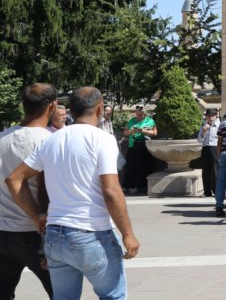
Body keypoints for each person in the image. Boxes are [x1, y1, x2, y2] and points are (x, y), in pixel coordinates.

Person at [6, 86, 139, 299]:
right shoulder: (102, 139)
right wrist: (128, 233)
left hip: (56, 235)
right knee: (112, 295)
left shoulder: (51, 140)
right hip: (92, 232)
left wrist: (36, 216)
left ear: (71, 110)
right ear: (99, 109)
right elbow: (111, 191)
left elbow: (14, 179)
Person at [0, 83, 57, 299]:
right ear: (51, 106)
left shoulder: (2, 138)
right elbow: (46, 192)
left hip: (2, 231)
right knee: (61, 292)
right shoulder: (48, 142)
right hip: (35, 232)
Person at [122, 105, 157, 195]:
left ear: (144, 114)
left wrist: (143, 131)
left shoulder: (149, 121)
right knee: (130, 166)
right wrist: (132, 131)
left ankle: (139, 187)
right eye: (137, 114)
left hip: (142, 146)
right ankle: (126, 186)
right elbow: (125, 132)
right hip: (132, 145)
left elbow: (154, 132)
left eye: (141, 115)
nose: (139, 116)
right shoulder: (132, 121)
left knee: (140, 167)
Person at [198, 108, 220, 197]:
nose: (211, 118)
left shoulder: (219, 126)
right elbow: (199, 140)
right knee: (206, 171)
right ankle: (207, 191)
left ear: (216, 116)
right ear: (206, 117)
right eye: (209, 116)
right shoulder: (203, 126)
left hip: (215, 148)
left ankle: (216, 190)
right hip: (205, 148)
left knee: (215, 170)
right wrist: (203, 131)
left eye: (212, 116)